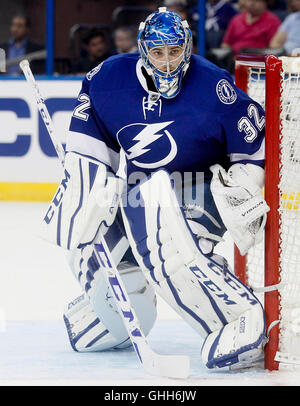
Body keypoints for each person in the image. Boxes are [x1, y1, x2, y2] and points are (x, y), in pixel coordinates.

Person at [42, 8, 268, 370]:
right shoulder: (108, 77)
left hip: (199, 184)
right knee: (91, 243)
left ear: (188, 48)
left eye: (175, 51)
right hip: (141, 184)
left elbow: (254, 147)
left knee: (171, 251)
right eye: (158, 52)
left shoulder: (216, 88)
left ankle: (238, 315)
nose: (166, 63)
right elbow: (89, 145)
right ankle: (113, 319)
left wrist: (241, 191)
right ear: (143, 49)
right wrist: (89, 189)